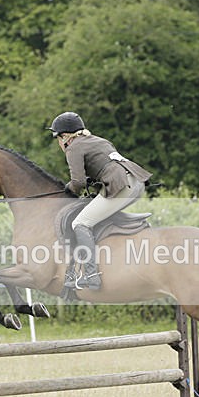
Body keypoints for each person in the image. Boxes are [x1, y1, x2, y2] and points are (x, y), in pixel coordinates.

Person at [48, 111, 152, 290]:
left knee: (80, 223)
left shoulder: (73, 147)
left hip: (121, 185)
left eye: (58, 138)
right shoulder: (99, 140)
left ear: (65, 137)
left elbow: (77, 182)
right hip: (136, 181)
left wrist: (68, 190)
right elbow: (103, 167)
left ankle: (92, 275)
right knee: (97, 214)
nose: (59, 143)